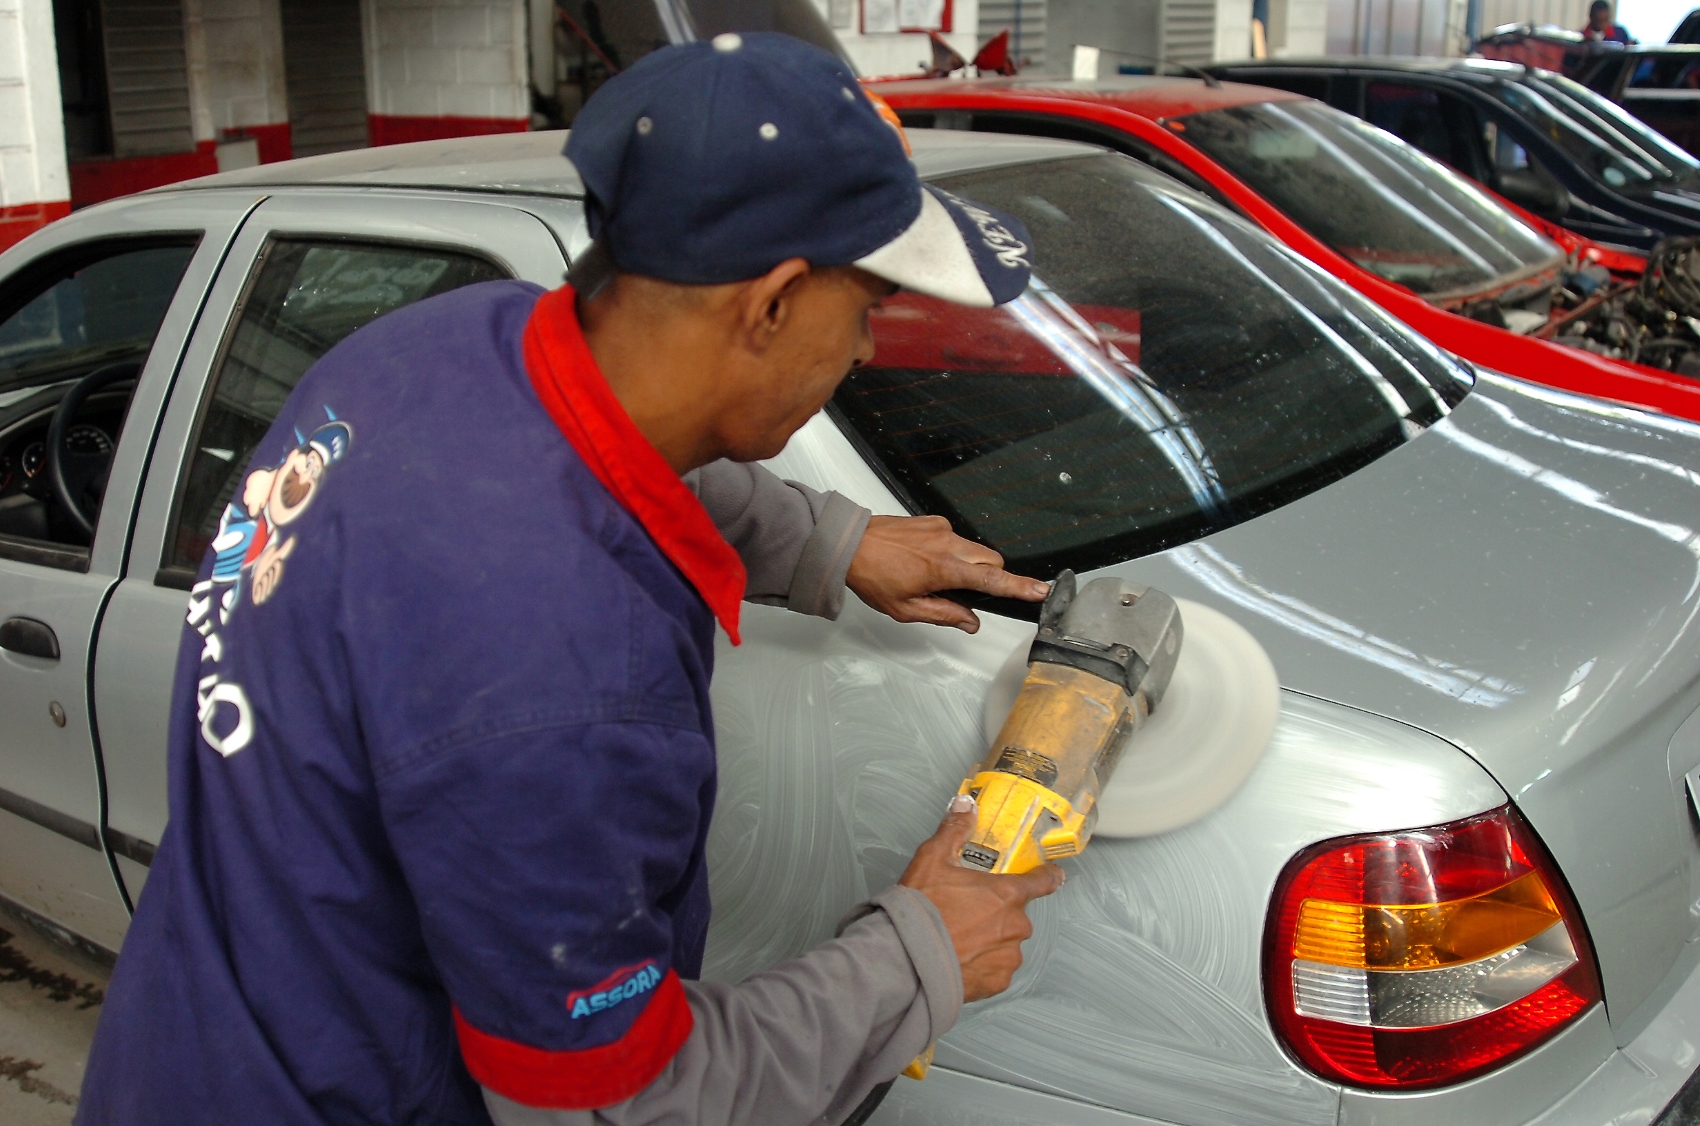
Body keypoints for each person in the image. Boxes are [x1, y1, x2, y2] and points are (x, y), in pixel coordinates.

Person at [76, 31, 1067, 1126]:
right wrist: (918, 952)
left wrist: (831, 542)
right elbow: (618, 1102)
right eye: (867, 306)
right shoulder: (558, 682)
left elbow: (623, 459)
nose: (869, 349)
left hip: (183, 1046)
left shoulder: (437, 346)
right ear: (772, 303)